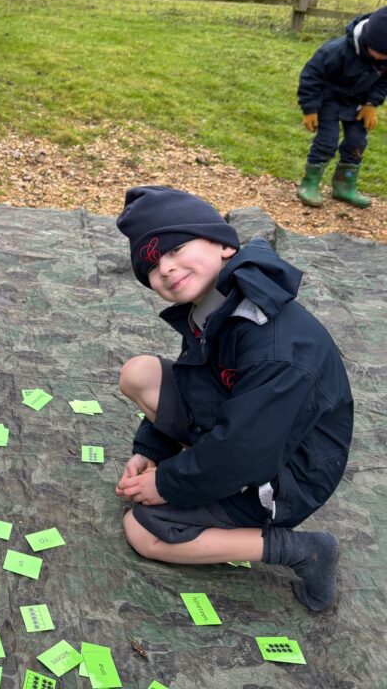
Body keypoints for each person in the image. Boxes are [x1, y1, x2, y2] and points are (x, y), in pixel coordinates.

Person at [114, 186, 353, 613]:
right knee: (140, 373)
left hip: (288, 472)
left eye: (176, 248)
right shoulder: (218, 304)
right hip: (251, 432)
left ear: (224, 244)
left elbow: (248, 449)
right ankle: (202, 473)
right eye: (151, 266)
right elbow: (199, 382)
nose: (166, 268)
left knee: (142, 530)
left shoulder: (273, 344)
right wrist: (155, 449)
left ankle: (302, 549)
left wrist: (166, 483)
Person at [296, 5, 387, 209]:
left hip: (357, 103)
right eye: (380, 52)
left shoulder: (384, 59)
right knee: (327, 141)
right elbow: (311, 77)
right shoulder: (336, 51)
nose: (383, 58)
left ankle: (344, 185)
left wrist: (371, 104)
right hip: (328, 100)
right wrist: (310, 108)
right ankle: (309, 183)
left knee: (357, 142)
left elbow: (383, 82)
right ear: (366, 40)